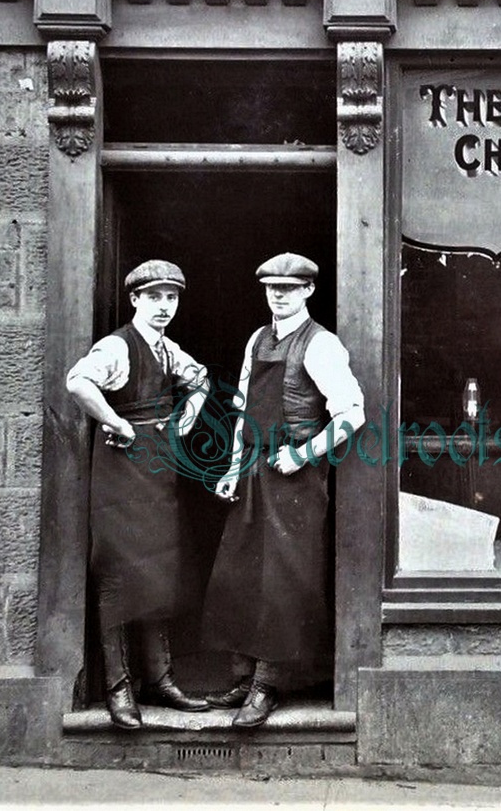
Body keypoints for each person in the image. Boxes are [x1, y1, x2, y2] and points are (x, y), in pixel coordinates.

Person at [202, 252, 365, 728]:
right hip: (253, 468)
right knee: (239, 572)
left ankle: (267, 685)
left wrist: (301, 455)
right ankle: (243, 674)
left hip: (294, 478)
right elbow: (244, 408)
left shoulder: (322, 345)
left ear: (308, 291)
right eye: (272, 287)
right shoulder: (257, 338)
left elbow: (352, 414)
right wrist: (233, 467)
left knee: (282, 581)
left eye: (289, 288)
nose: (279, 294)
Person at [65, 259, 212, 729]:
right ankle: (118, 688)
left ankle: (160, 680)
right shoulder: (117, 346)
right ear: (134, 300)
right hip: (120, 473)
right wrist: (115, 421)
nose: (164, 307)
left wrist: (191, 408)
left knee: (157, 571)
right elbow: (77, 382)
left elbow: (202, 378)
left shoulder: (168, 349)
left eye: (171, 298)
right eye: (154, 298)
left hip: (158, 472)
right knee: (116, 574)